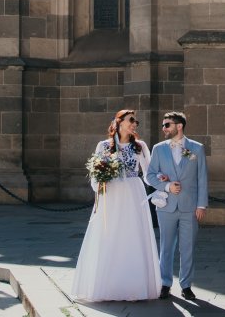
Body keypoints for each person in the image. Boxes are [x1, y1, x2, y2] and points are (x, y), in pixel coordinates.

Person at [71, 109, 161, 302]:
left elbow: (148, 174)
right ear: (119, 122)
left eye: (136, 121)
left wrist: (163, 182)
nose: (134, 124)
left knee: (132, 236)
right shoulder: (103, 145)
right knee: (109, 235)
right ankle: (108, 286)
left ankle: (134, 286)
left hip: (133, 193)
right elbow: (95, 175)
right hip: (111, 195)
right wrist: (99, 185)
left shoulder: (140, 146)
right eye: (131, 120)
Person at [147, 111, 208, 301]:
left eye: (167, 125)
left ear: (179, 126)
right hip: (166, 206)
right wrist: (166, 185)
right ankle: (165, 284)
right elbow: (150, 175)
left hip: (190, 206)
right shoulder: (158, 149)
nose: (164, 128)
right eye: (163, 125)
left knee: (187, 247)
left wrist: (202, 205)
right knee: (166, 247)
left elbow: (202, 177)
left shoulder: (196, 148)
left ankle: (186, 285)